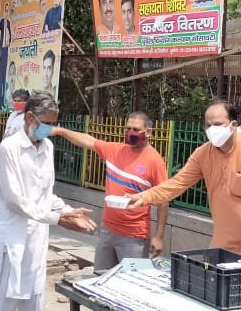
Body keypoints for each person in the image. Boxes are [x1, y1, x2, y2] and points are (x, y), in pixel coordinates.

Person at [128, 100, 241, 281]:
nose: (212, 130)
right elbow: (177, 183)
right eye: (208, 125)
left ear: (233, 124)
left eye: (218, 124)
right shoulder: (203, 154)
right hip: (222, 246)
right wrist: (145, 196)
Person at [0, 91, 97, 310]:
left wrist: (69, 211)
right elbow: (15, 200)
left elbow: (45, 193)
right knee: (2, 302)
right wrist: (58, 219)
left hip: (37, 239)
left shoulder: (47, 147)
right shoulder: (9, 147)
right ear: (29, 117)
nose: (50, 129)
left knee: (34, 299)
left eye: (53, 124)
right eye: (46, 124)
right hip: (13, 238)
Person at [52, 112, 169, 273]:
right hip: (107, 230)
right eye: (128, 128)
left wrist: (159, 237)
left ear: (148, 132)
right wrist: (61, 131)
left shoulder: (155, 161)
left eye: (136, 129)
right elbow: (89, 141)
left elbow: (164, 201)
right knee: (101, 277)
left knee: (131, 282)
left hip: (134, 236)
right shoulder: (116, 150)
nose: (131, 132)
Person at [0, 1, 13, 102]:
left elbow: (10, 35)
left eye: (8, 10)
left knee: (4, 76)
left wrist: (9, 41)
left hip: (6, 50)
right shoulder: (2, 21)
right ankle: (1, 98)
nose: (6, 12)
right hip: (2, 51)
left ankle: (2, 99)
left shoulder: (9, 23)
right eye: (5, 10)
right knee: (1, 76)